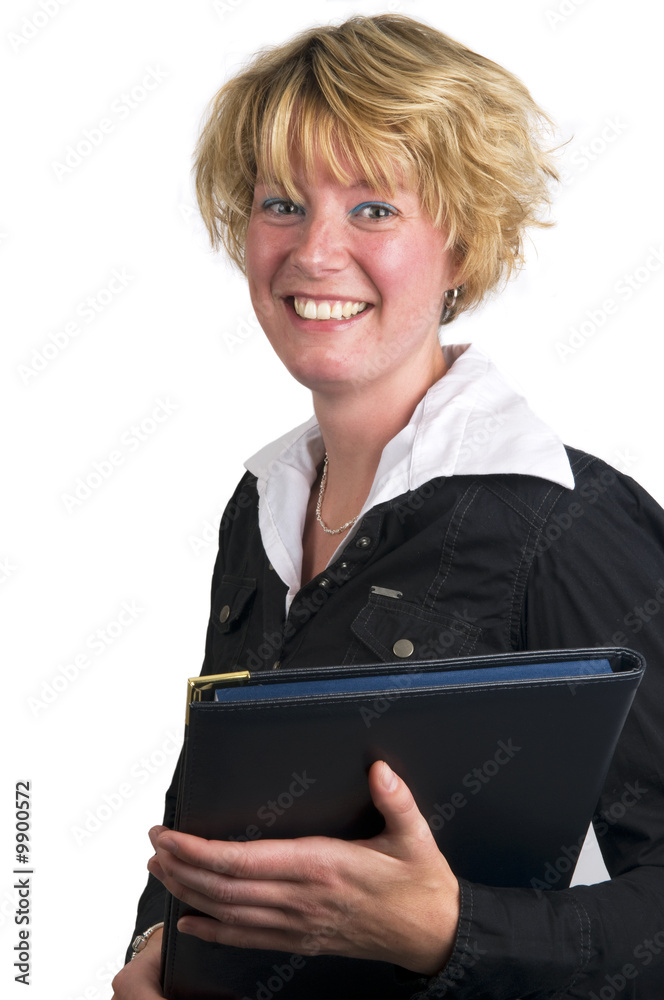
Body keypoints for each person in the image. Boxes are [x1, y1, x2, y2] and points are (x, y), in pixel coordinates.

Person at [112, 13, 664, 999]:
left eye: (373, 208)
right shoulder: (260, 507)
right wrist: (156, 947)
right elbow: (215, 806)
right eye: (282, 204)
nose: (314, 252)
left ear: (463, 242)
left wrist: (450, 930)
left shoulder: (562, 522)